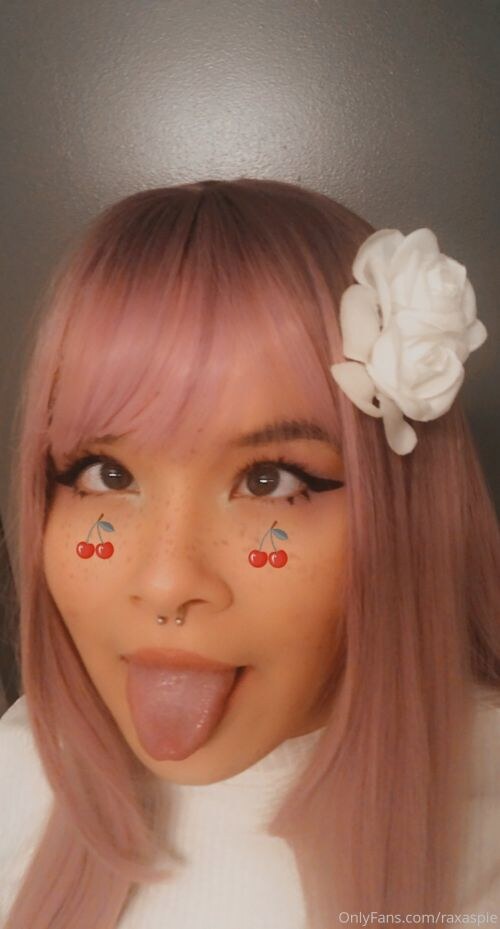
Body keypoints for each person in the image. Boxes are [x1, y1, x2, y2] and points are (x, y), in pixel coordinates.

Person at [0, 177, 498, 929]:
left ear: (404, 514)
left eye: (270, 480)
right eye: (106, 475)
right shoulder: (20, 775)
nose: (166, 582)